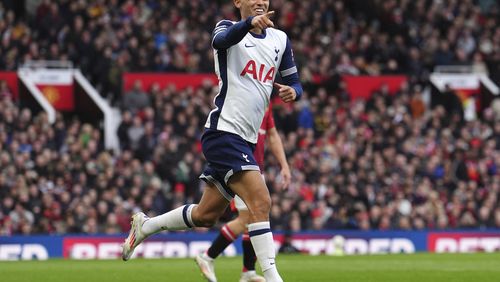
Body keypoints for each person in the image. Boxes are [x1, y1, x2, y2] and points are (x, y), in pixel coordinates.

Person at [122, 0, 302, 281]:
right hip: (223, 133)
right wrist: (248, 25)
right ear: (238, 2)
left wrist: (293, 92)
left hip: (247, 140)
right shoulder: (228, 28)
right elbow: (220, 41)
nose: (260, 1)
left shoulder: (280, 39)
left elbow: (295, 81)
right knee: (261, 200)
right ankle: (271, 277)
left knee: (206, 215)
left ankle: (146, 226)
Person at [195, 102, 291, 282]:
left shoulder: (265, 104)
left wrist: (284, 164)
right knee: (249, 216)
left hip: (254, 168)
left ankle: (246, 270)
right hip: (239, 165)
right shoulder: (242, 98)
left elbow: (272, 134)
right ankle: (209, 257)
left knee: (250, 217)